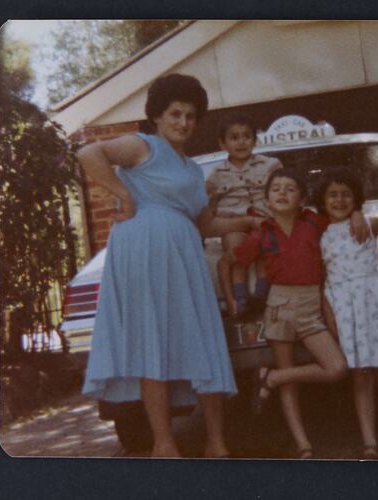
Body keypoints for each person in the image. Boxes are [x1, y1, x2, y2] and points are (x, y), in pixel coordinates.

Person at [78, 74, 260, 459]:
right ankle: (164, 443)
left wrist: (248, 223)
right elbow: (89, 154)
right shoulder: (144, 146)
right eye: (175, 113)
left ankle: (216, 442)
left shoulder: (193, 171)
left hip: (183, 250)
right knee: (152, 341)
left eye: (191, 116)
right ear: (158, 117)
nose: (183, 122)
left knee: (203, 338)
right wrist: (124, 194)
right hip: (142, 247)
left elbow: (205, 224)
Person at [221, 167, 368, 459]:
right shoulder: (262, 234)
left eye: (290, 189)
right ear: (267, 199)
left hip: (311, 305)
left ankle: (271, 378)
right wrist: (230, 299)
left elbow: (340, 218)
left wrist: (357, 213)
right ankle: (303, 445)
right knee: (292, 387)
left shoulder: (314, 222)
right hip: (279, 306)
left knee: (336, 368)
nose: (283, 194)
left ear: (302, 198)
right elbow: (227, 263)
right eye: (276, 189)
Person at [316, 167, 378, 460]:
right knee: (360, 376)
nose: (339, 200)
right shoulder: (320, 234)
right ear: (322, 201)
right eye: (332, 195)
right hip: (343, 307)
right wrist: (329, 313)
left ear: (356, 199)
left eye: (346, 194)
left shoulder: (369, 223)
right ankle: (369, 443)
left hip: (373, 303)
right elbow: (323, 278)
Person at [206, 112, 282, 317]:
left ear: (254, 140)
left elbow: (283, 195)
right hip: (233, 224)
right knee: (236, 247)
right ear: (222, 144)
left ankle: (262, 294)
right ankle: (241, 297)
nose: (241, 142)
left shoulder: (270, 165)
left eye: (246, 136)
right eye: (234, 137)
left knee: (265, 249)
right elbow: (209, 211)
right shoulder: (215, 176)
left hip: (265, 220)